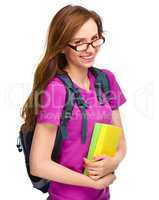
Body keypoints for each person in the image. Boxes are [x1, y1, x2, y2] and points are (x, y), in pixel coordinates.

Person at [21, 4, 127, 200]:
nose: (90, 49)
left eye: (95, 39)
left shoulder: (106, 80)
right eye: (79, 42)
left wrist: (114, 162)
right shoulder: (56, 90)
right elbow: (39, 163)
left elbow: (120, 140)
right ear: (62, 46)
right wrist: (94, 182)